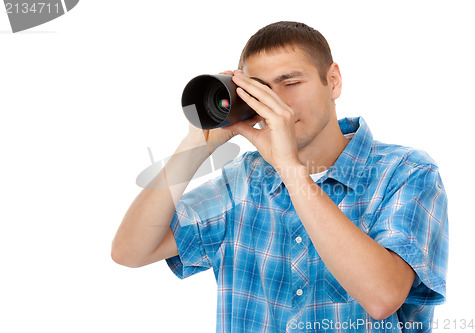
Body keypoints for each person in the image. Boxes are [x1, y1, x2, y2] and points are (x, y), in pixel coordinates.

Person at [112, 21, 448, 332]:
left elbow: (381, 297)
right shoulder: (243, 181)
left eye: (290, 83)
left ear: (333, 81)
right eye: (261, 91)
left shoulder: (405, 172)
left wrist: (291, 169)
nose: (276, 104)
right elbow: (130, 252)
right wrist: (195, 146)